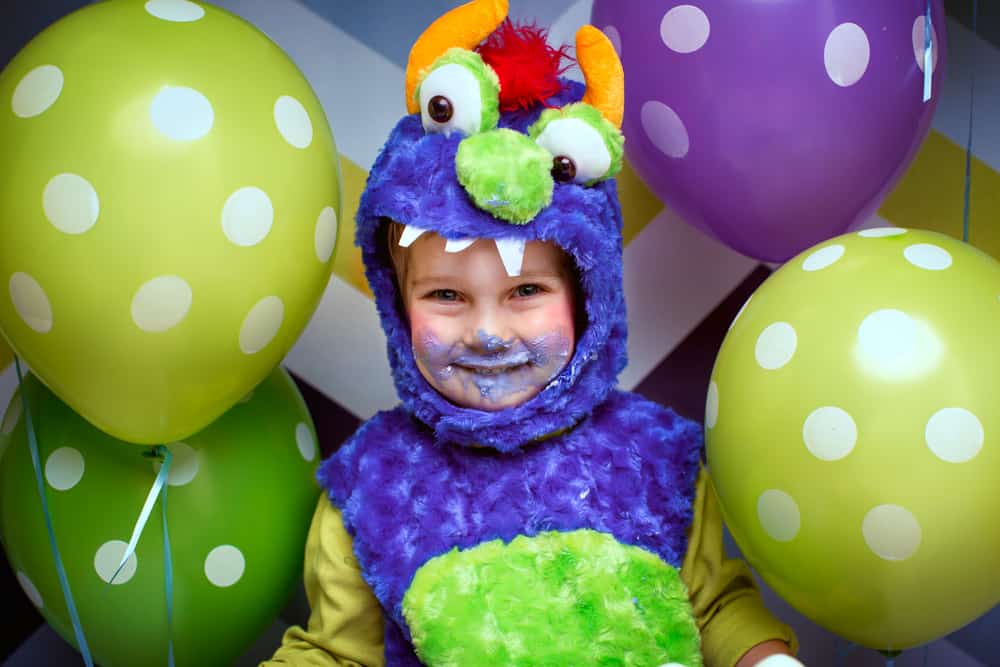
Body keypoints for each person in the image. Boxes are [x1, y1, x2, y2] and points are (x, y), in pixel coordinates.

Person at [265, 1, 801, 665]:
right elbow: (339, 654)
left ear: (587, 297)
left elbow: (715, 608)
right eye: (445, 296)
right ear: (398, 308)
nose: (489, 333)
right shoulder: (371, 487)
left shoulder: (658, 460)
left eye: (525, 292)